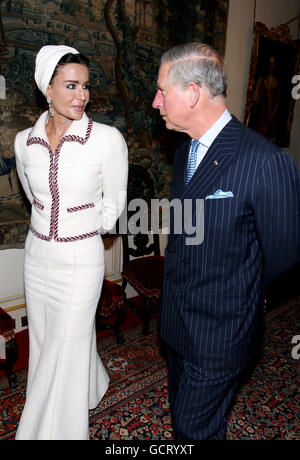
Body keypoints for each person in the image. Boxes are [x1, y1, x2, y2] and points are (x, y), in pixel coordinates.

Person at [152, 42, 300, 440]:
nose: (155, 101)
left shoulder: (266, 161)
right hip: (177, 323)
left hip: (221, 331)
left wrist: (236, 294)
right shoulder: (185, 154)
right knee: (188, 419)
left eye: (163, 90)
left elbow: (285, 254)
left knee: (192, 428)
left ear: (193, 92)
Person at [14, 45, 128, 440]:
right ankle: (93, 384)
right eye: (71, 85)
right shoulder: (23, 142)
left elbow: (113, 208)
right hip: (37, 256)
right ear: (47, 88)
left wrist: (75, 229)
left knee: (68, 342)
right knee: (47, 341)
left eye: (85, 86)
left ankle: (47, 431)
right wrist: (51, 229)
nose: (82, 95)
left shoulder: (107, 140)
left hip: (81, 258)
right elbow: (33, 199)